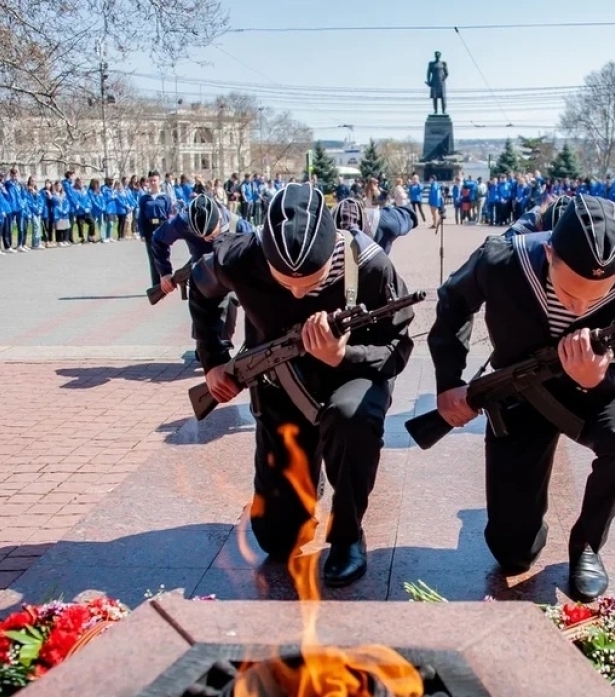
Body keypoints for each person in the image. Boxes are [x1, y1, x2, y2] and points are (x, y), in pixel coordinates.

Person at [428, 194, 615, 601]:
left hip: (593, 392)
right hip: (518, 397)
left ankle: (588, 543)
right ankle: (522, 523)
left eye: (597, 296)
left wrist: (602, 378)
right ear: (549, 250)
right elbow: (453, 303)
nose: (580, 307)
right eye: (570, 292)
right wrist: (450, 381)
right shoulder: (502, 260)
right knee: (512, 555)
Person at [188, 182, 416, 588]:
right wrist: (215, 360)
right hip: (279, 387)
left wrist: (344, 356)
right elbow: (201, 292)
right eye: (284, 282)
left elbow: (397, 348)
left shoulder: (369, 264)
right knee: (278, 541)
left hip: (350, 379)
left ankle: (348, 536)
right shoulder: (239, 254)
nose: (297, 292)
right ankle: (310, 477)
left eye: (311, 282)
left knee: (350, 418)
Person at [153, 194, 254, 352]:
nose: (207, 240)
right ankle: (204, 345)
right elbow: (158, 239)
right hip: (200, 272)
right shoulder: (182, 221)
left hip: (228, 274)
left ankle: (222, 348)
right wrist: (165, 272)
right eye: (202, 237)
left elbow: (256, 251)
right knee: (200, 308)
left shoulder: (238, 226)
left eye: (212, 236)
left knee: (228, 306)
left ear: (220, 221)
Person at [136, 171, 173, 287]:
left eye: (155, 180)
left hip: (162, 226)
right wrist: (142, 232)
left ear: (159, 181)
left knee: (164, 255)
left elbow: (168, 214)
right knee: (153, 258)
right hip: (149, 227)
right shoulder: (144, 198)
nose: (152, 183)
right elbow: (141, 216)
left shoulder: (165, 198)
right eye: (150, 180)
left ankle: (167, 283)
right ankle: (156, 285)